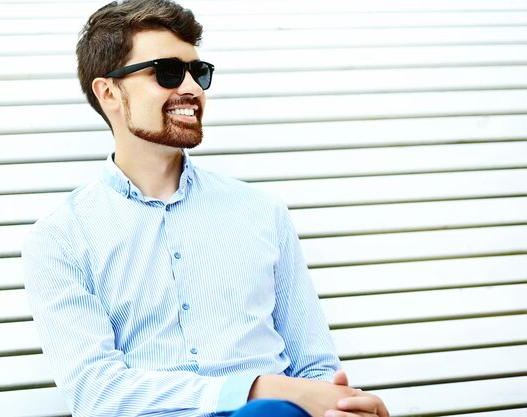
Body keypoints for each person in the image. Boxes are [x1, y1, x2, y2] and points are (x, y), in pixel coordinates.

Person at [23, 1, 389, 417]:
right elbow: (97, 394)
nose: (193, 89)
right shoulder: (60, 238)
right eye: (167, 72)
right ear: (109, 92)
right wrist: (252, 390)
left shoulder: (260, 211)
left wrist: (341, 406)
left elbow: (314, 365)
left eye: (198, 73)